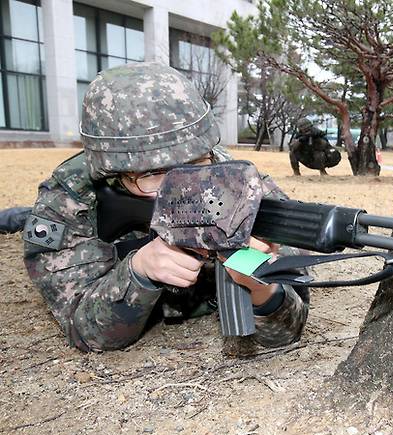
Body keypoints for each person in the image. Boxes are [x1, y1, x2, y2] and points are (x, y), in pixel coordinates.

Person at [23, 62, 309, 354]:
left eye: (194, 165)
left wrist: (262, 290)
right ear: (113, 176)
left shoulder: (233, 178)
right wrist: (138, 271)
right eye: (153, 174)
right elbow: (86, 330)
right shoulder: (71, 200)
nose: (182, 186)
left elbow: (290, 315)